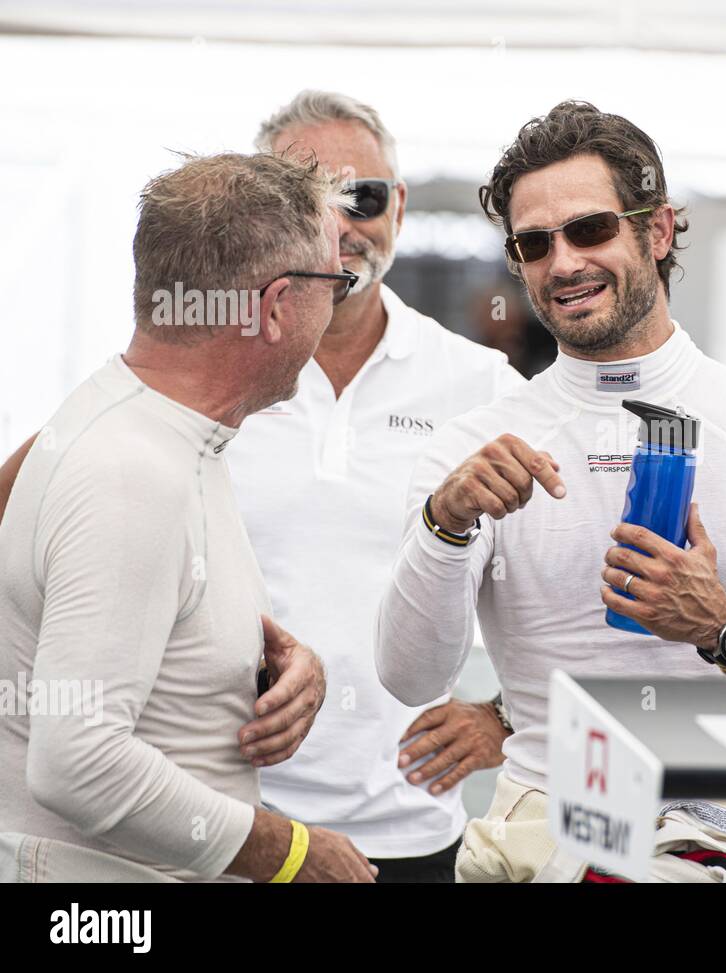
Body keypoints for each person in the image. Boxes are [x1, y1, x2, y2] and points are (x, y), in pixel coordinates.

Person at [375, 101, 726, 883]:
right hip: (551, 833)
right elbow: (410, 676)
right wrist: (444, 526)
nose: (563, 263)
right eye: (534, 244)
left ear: (658, 231)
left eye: (590, 230)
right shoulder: (471, 450)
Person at [0, 152, 376, 882]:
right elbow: (76, 761)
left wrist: (258, 668)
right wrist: (295, 852)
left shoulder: (158, 431)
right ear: (273, 309)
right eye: (336, 284)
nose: (336, 311)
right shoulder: (132, 469)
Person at [228, 90, 525, 883]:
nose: (340, 224)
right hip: (234, 830)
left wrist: (508, 717)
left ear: (398, 206)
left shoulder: (479, 385)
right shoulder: (213, 371)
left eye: (361, 196)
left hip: (412, 835)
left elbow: (580, 583)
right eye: (307, 198)